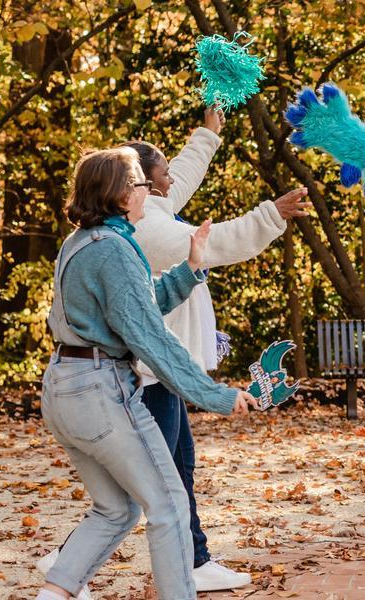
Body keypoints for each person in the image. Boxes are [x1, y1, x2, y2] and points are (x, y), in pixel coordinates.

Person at [36, 147, 258, 600]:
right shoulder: (114, 249)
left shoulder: (80, 242)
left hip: (64, 388)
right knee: (170, 505)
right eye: (140, 184)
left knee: (115, 511)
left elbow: (135, 304)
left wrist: (191, 268)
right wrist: (214, 394)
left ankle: (53, 594)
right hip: (100, 392)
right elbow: (151, 339)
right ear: (120, 193)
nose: (148, 192)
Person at [124, 109, 307, 591]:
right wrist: (273, 214)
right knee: (149, 481)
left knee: (176, 466)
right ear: (144, 184)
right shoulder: (148, 229)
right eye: (162, 171)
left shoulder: (154, 208)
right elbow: (214, 242)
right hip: (150, 372)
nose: (171, 177)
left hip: (163, 370)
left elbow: (184, 171)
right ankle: (67, 563)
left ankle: (196, 559)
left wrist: (209, 131)